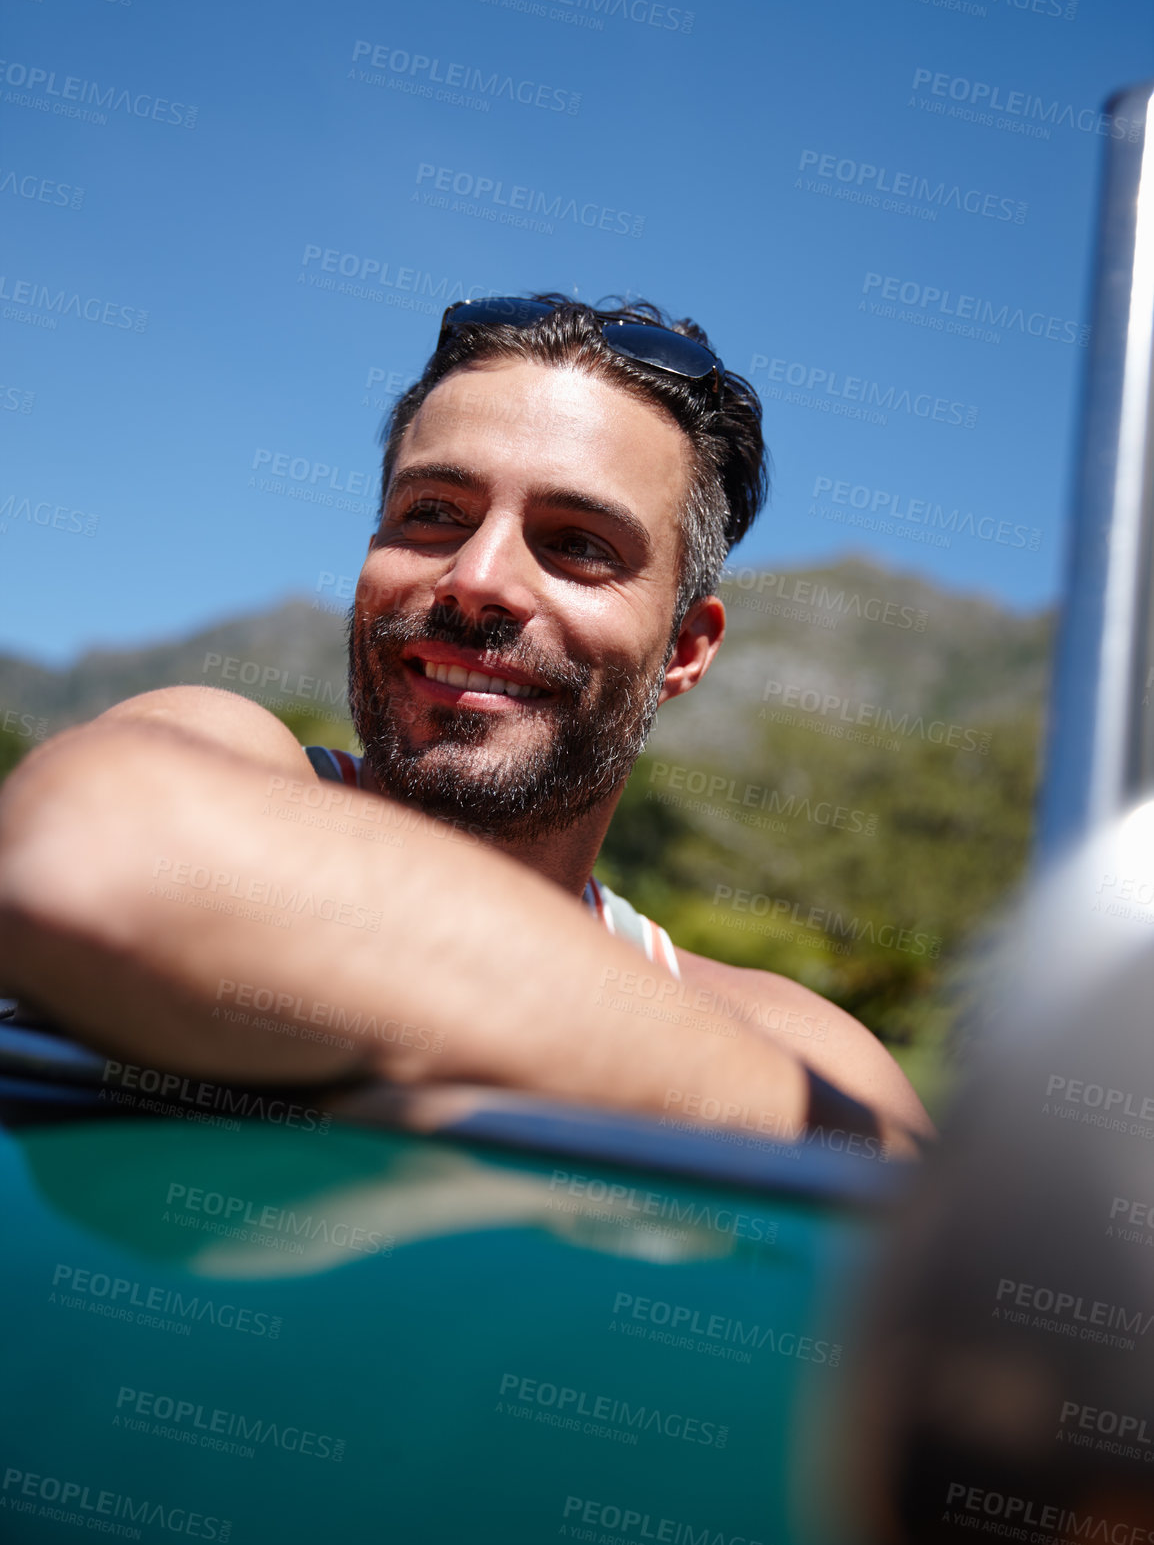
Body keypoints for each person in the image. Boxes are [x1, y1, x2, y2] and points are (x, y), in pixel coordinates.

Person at [0, 296, 931, 1154]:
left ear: (685, 648)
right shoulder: (225, 760)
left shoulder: (807, 1043)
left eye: (578, 543)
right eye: (434, 514)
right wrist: (775, 1114)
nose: (477, 578)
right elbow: (94, 853)